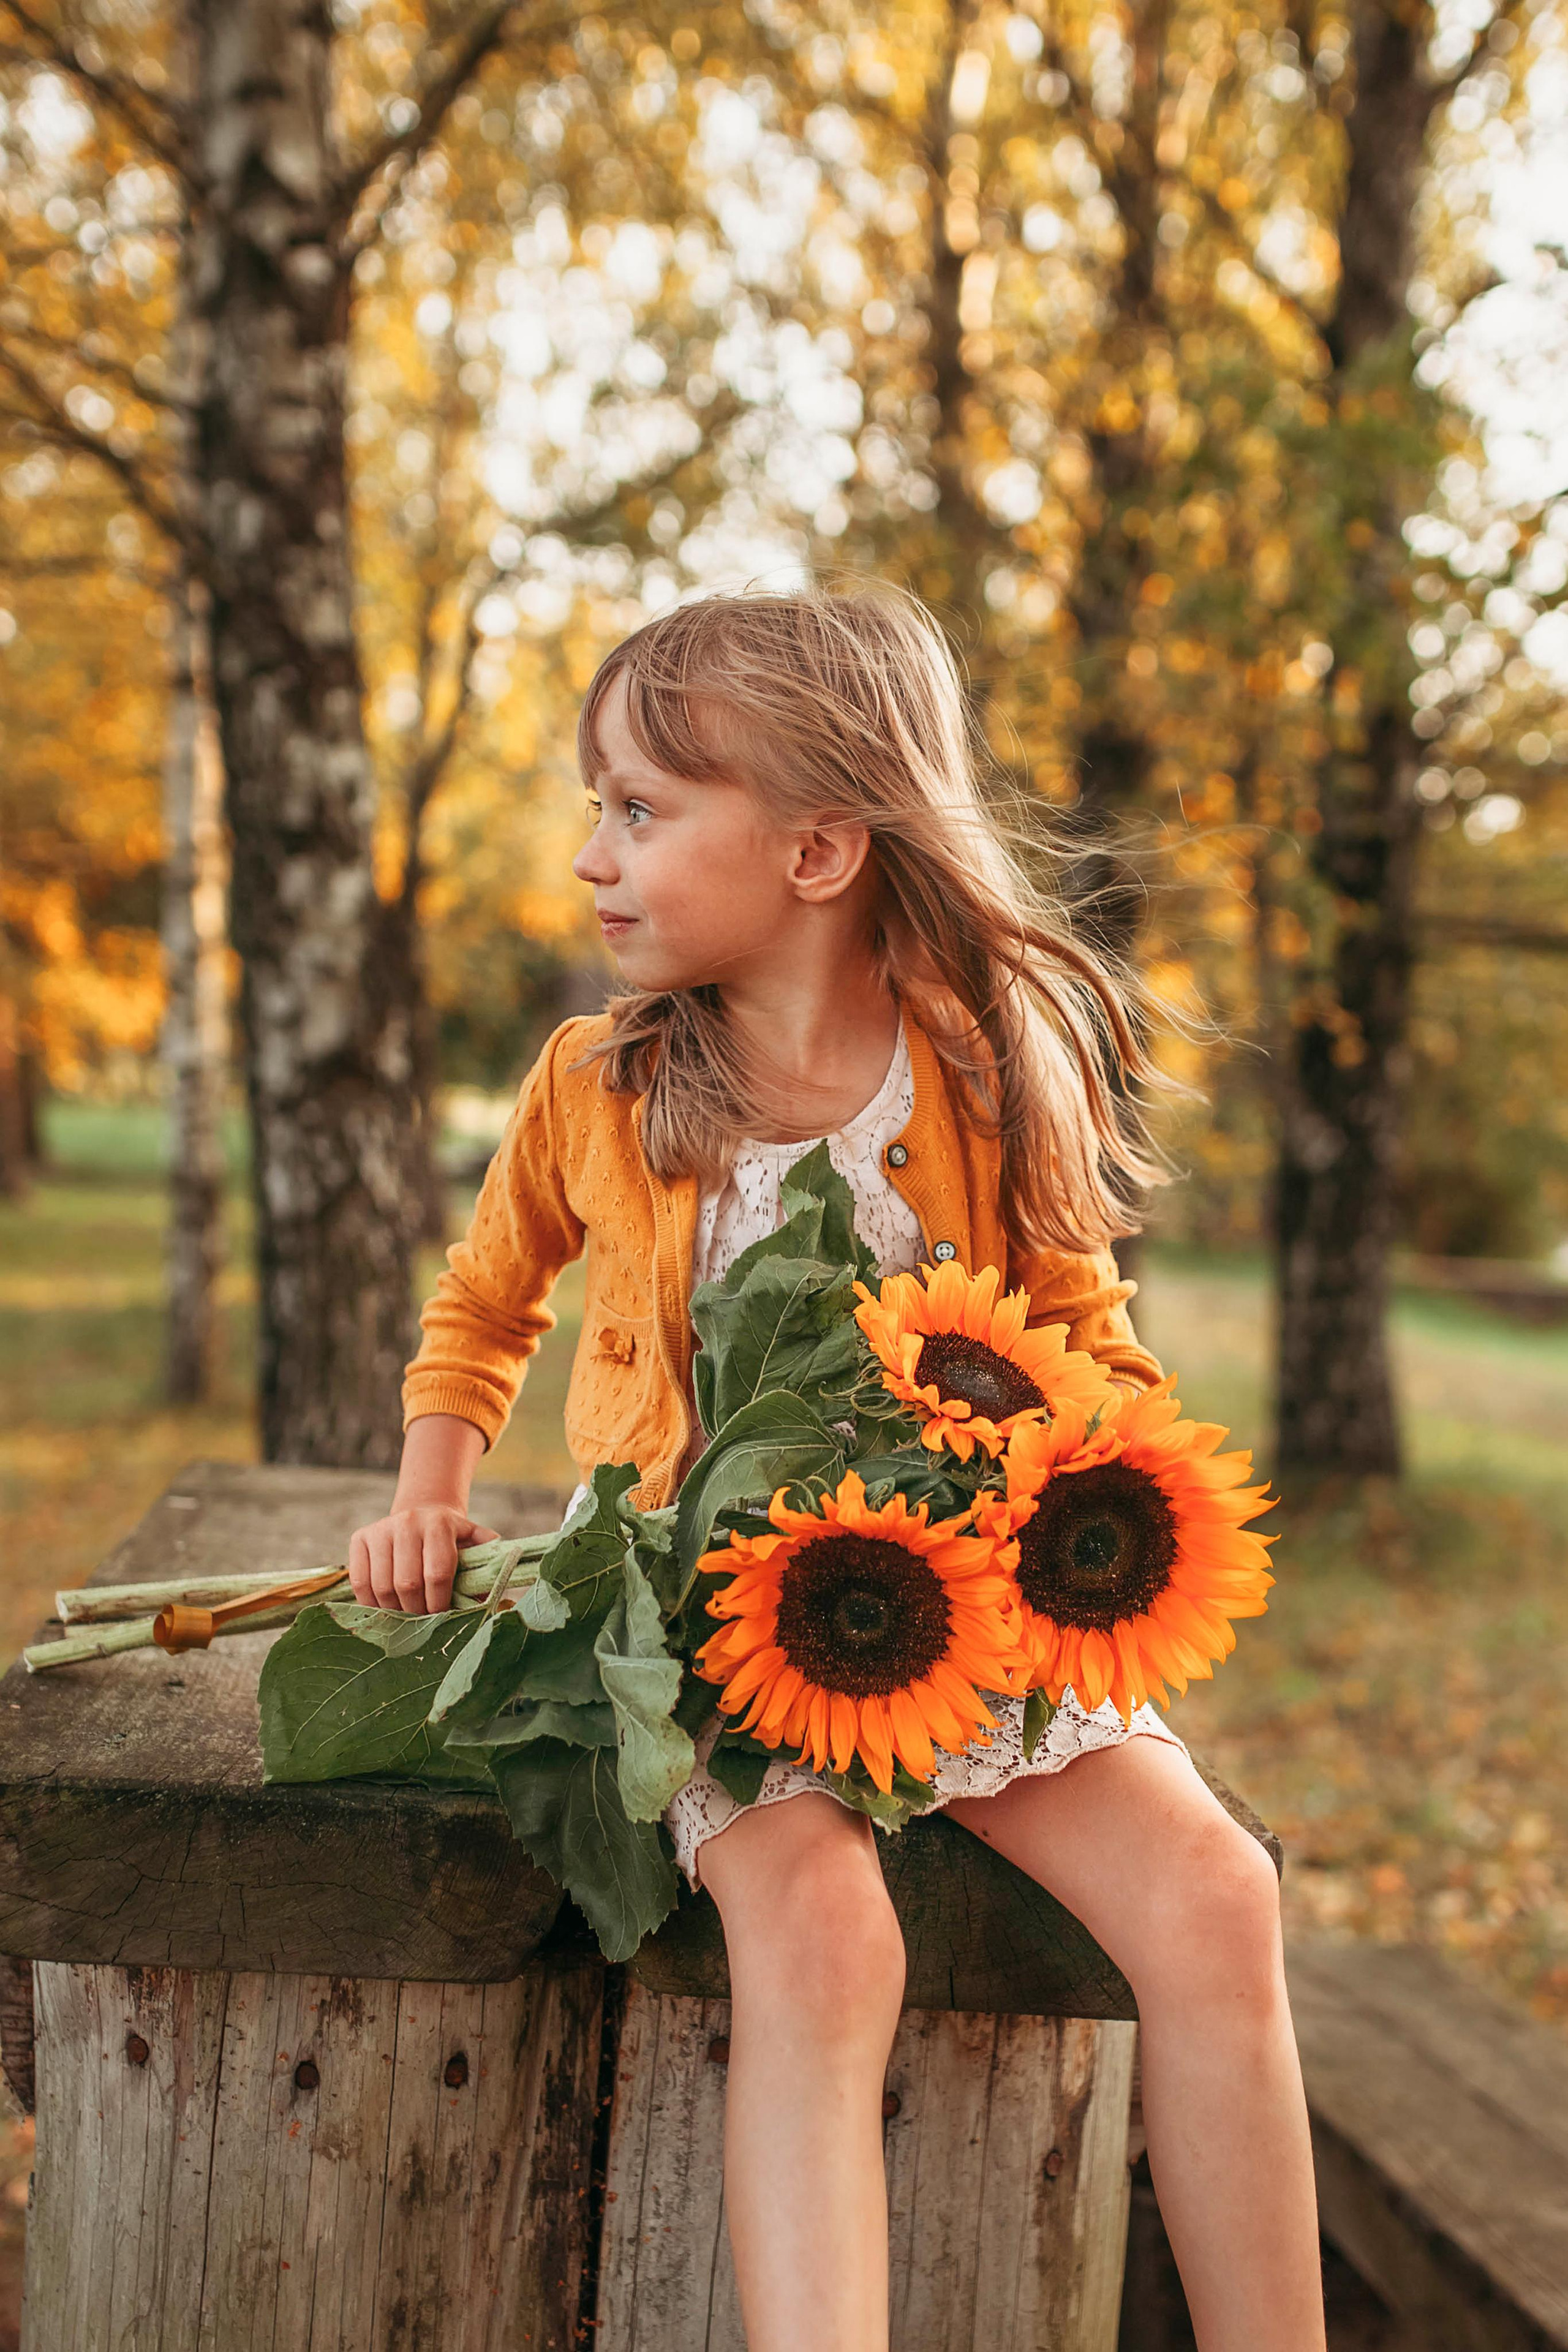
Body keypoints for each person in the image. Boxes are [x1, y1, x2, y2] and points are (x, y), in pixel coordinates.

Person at [349, 586, 1325, 2352]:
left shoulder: (981, 1071)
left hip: (945, 1606)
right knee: (824, 1927)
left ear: (816, 851)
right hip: (701, 1617)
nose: (591, 858)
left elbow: (1082, 1332)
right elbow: (484, 1307)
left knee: (1217, 1891)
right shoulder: (603, 1085)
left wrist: (1110, 1495)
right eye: (601, 809)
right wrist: (431, 1490)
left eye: (640, 811)